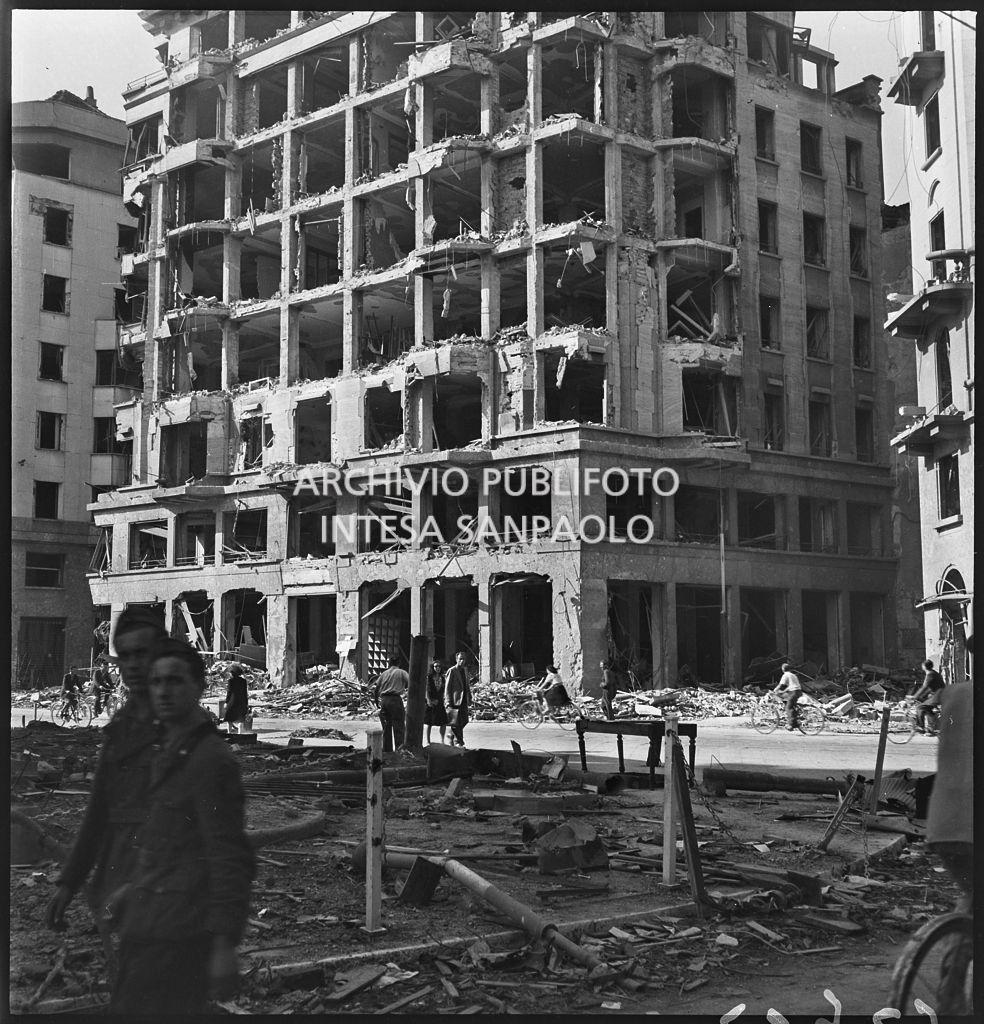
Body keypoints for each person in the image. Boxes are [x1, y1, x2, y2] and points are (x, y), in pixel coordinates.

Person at [109, 638, 254, 1014]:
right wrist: (133, 887)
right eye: (156, 682)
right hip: (146, 924)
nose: (163, 691)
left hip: (180, 935)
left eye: (174, 681)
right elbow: (166, 841)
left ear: (198, 687)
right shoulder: (167, 751)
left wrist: (224, 945)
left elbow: (229, 856)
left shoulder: (210, 761)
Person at [46, 607, 167, 982]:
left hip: (166, 887)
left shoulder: (183, 729)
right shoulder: (119, 731)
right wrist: (69, 883)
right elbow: (97, 813)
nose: (131, 665)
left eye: (141, 654)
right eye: (124, 655)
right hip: (119, 879)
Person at [925, 680, 973, 1013]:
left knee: (973, 896)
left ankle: (954, 979)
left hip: (943, 822)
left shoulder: (955, 692)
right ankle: (954, 987)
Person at [373, 653, 409, 752]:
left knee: (386, 727)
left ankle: (387, 751)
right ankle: (399, 749)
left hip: (384, 700)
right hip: (395, 700)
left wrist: (377, 703)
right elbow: (411, 683)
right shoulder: (401, 672)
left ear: (389, 663)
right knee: (399, 726)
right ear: (399, 663)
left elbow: (376, 689)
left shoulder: (384, 673)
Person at [911, 658, 945, 734]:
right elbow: (930, 688)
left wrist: (915, 696)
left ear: (924, 666)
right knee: (927, 708)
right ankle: (931, 728)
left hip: (938, 696)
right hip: (939, 694)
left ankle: (921, 727)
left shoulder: (930, 674)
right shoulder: (934, 673)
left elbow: (924, 687)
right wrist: (922, 696)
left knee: (920, 707)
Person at [445, 651, 472, 747]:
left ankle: (451, 734)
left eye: (463, 659)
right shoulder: (452, 671)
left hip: (463, 699)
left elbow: (466, 685)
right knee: (457, 722)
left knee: (464, 720)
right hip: (455, 700)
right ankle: (459, 741)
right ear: (456, 659)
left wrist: (470, 697)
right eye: (460, 659)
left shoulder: (465, 670)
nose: (462, 661)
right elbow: (447, 688)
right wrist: (448, 701)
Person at [424, 659, 448, 745]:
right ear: (432, 667)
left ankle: (442, 740)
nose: (437, 668)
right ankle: (428, 741)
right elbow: (426, 690)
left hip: (440, 701)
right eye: (436, 666)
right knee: (429, 722)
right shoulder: (429, 678)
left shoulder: (442, 678)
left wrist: (444, 700)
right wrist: (429, 700)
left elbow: (444, 690)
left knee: (444, 721)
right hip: (431, 701)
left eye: (439, 666)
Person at [773, 662, 802, 731]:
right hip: (798, 691)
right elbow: (790, 686)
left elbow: (781, 684)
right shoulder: (793, 675)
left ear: (783, 669)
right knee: (791, 704)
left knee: (788, 707)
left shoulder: (786, 675)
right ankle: (795, 722)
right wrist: (783, 691)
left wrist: (775, 689)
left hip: (793, 692)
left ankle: (791, 725)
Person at [222, 664, 250, 734]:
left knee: (230, 719)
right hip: (241, 702)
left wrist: (226, 702)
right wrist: (246, 704)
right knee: (241, 720)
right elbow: (245, 693)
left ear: (232, 673)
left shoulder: (230, 681)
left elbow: (229, 692)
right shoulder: (244, 681)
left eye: (230, 673)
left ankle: (229, 733)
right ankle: (240, 735)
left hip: (232, 701)